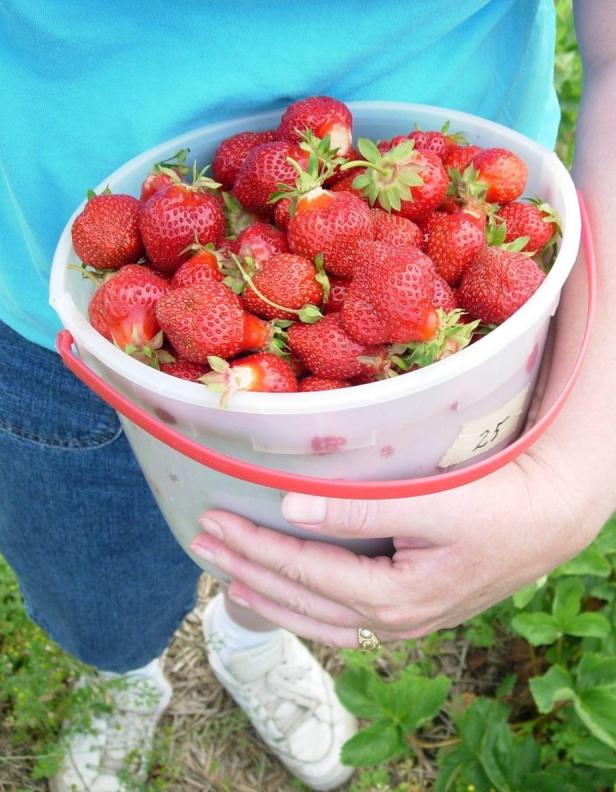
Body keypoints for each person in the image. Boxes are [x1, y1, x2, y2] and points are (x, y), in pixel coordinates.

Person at [1, 1, 611, 790]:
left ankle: (250, 636)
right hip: (51, 299)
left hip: (447, 302)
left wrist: (578, 473)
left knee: (305, 549)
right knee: (100, 590)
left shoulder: (405, 266)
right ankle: (123, 675)